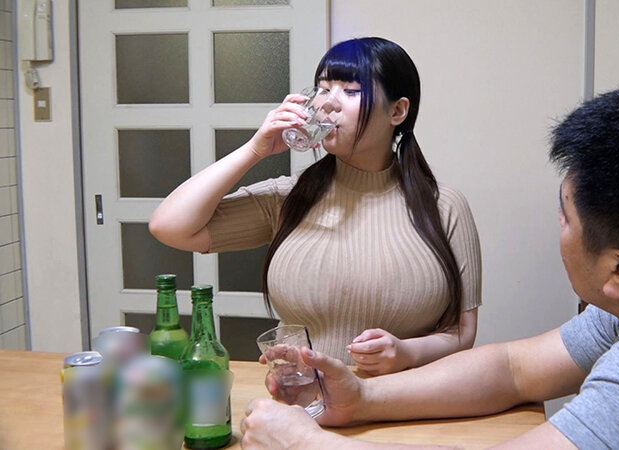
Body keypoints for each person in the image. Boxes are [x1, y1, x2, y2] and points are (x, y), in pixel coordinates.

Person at [239, 81, 619, 449]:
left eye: (565, 217)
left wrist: (306, 442)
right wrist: (363, 399)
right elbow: (516, 369)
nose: (558, 226)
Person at [148, 37, 482, 375]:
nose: (327, 103)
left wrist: (406, 352)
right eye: (322, 89)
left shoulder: (444, 207)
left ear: (397, 111)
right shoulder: (288, 197)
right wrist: (255, 150)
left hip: (398, 398)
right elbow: (169, 226)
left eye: (350, 91)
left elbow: (461, 332)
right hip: (300, 395)